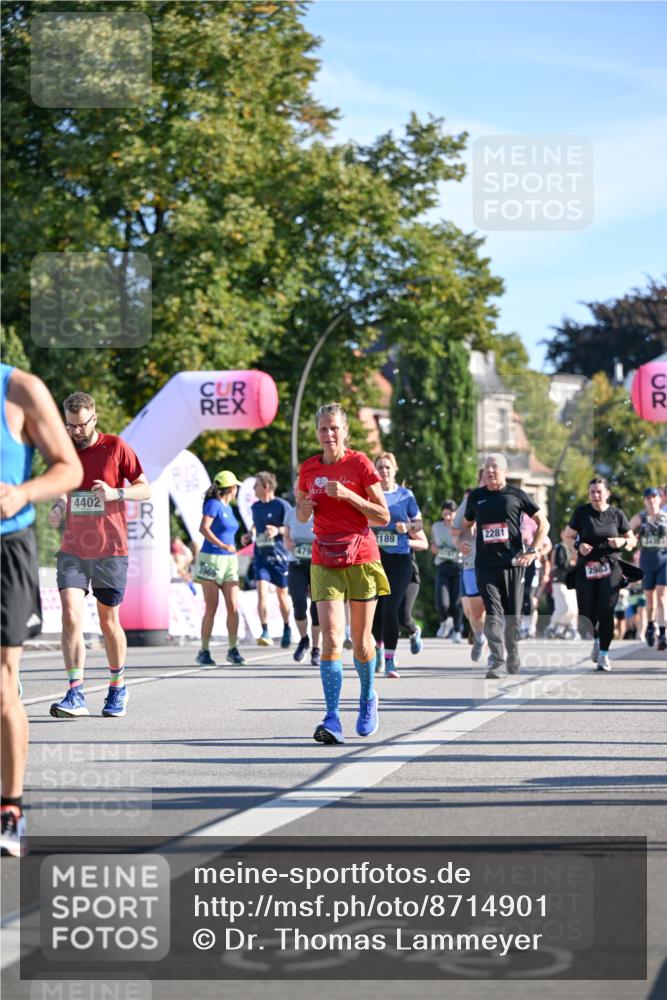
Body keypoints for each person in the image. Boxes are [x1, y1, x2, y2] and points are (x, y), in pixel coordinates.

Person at [1, 364, 82, 857]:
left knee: (1, 683)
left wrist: (23, 493)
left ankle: (10, 809)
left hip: (5, 548)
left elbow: (69, 468)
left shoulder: (20, 390)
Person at [48, 392, 151, 718]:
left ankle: (118, 687)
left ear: (94, 418)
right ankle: (75, 692)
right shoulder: (64, 450)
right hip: (74, 548)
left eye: (81, 425)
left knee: (108, 621)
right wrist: (58, 506)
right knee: (70, 615)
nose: (76, 431)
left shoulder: (116, 447)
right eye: (70, 425)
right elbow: (63, 489)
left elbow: (145, 487)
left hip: (110, 549)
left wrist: (115, 492)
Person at [297, 402, 390, 744]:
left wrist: (350, 495)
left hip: (361, 557)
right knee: (332, 638)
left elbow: (383, 516)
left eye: (334, 427)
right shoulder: (308, 468)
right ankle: (332, 717)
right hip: (324, 557)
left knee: (362, 644)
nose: (329, 434)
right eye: (323, 428)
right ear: (317, 432)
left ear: (344, 431)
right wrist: (303, 508)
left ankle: (367, 698)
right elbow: (302, 513)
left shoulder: (360, 463)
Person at [460, 453, 550, 679]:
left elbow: (543, 524)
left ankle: (513, 652)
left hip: (513, 565)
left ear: (505, 472)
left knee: (513, 615)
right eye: (486, 467)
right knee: (493, 612)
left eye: (495, 467)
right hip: (485, 565)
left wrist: (533, 550)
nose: (490, 471)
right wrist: (463, 538)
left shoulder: (516, 495)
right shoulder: (477, 497)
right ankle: (497, 661)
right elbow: (466, 524)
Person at [562, 477, 636, 672]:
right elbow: (566, 536)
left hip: (610, 567)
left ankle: (604, 654)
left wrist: (621, 542)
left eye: (599, 492)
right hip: (586, 567)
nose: (595, 495)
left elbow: (632, 540)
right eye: (592, 492)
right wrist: (578, 545)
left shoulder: (616, 514)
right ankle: (596, 639)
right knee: (587, 612)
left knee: (606, 610)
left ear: (607, 494)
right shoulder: (581, 512)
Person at [371, 453, 423, 679]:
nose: (384, 471)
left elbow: (419, 523)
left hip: (400, 559)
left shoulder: (406, 495)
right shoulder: (370, 493)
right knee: (375, 612)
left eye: (387, 467)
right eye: (380, 467)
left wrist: (408, 527)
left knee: (390, 608)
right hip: (375, 559)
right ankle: (379, 650)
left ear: (395, 469)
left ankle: (390, 661)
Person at [194, 471, 246, 667]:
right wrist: (223, 545)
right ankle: (204, 650)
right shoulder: (213, 504)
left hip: (230, 561)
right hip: (211, 559)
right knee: (212, 607)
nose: (237, 490)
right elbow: (203, 528)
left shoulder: (229, 508)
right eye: (236, 487)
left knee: (233, 606)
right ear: (231, 488)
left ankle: (233, 649)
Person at [241, 471, 292, 648]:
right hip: (261, 556)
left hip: (279, 556)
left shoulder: (282, 505)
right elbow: (256, 525)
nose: (254, 489)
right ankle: (265, 631)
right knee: (261, 591)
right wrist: (250, 534)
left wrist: (277, 530)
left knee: (282, 595)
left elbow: (290, 528)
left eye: (256, 485)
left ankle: (287, 628)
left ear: (266, 487)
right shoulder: (255, 507)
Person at [284, 484, 321, 666]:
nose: (299, 493)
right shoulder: (290, 513)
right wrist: (288, 543)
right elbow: (286, 536)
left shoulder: (319, 512)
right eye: (296, 490)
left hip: (317, 565)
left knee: (316, 608)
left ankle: (316, 649)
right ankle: (304, 639)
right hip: (296, 564)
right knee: (299, 603)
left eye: (302, 489)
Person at [452, 473, 487, 663]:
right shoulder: (470, 501)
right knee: (472, 611)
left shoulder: (508, 499)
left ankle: (495, 649)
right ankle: (480, 637)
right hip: (471, 562)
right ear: (479, 481)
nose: (489, 478)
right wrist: (460, 542)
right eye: (485, 476)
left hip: (497, 563)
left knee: (495, 607)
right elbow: (455, 531)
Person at [629, 487, 667, 650]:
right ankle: (651, 625)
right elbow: (626, 531)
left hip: (664, 560)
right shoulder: (640, 517)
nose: (651, 500)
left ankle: (663, 634)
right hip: (646, 561)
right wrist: (632, 538)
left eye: (654, 497)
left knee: (662, 597)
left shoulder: (665, 517)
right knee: (650, 600)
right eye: (648, 498)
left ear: (659, 499)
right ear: (644, 501)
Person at [431, 501, 464, 641]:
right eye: (445, 514)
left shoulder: (462, 526)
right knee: (442, 602)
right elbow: (433, 544)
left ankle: (457, 630)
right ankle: (445, 621)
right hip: (442, 566)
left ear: (456, 513)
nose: (448, 517)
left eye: (450, 514)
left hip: (458, 567)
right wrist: (434, 548)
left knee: (457, 602)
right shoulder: (436, 527)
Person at [398, 527, 429, 655]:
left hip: (409, 575)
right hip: (383, 573)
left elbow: (424, 544)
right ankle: (387, 656)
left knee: (403, 617)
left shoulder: (406, 521)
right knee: (385, 615)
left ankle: (414, 631)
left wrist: (403, 541)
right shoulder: (375, 521)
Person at [547, 540, 579, 639]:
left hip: (569, 582)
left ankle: (559, 629)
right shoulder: (561, 547)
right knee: (565, 607)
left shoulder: (573, 547)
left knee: (573, 609)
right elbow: (561, 563)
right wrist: (574, 564)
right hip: (560, 581)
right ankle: (552, 626)